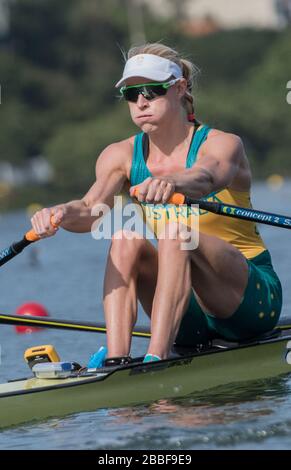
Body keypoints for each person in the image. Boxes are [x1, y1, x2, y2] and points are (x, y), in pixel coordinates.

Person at [31, 43, 282, 363]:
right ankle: (116, 360)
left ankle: (156, 357)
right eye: (131, 95)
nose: (140, 102)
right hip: (184, 313)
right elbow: (91, 211)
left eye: (151, 91)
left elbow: (206, 177)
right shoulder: (119, 155)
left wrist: (173, 182)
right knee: (124, 238)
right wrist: (60, 213)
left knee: (177, 234)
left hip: (249, 304)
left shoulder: (222, 144)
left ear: (179, 89)